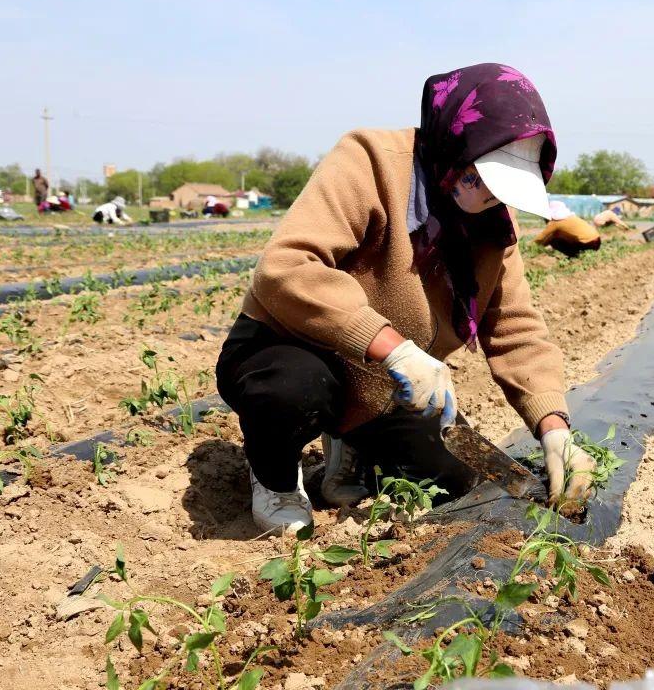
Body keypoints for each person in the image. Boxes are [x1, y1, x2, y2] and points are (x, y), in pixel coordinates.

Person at [215, 63, 596, 535]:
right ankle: (273, 478)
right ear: (458, 146)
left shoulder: (495, 229)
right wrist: (392, 346)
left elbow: (516, 328)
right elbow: (287, 267)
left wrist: (554, 428)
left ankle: (348, 438)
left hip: (379, 380)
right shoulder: (370, 160)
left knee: (453, 477)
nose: (495, 199)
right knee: (293, 390)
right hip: (289, 346)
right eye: (488, 178)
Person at [533, 200, 601, 257]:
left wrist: (531, 246)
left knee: (554, 241)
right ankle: (578, 253)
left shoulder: (555, 222)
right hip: (597, 242)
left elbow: (539, 238)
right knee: (559, 237)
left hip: (587, 245)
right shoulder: (570, 217)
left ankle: (575, 255)